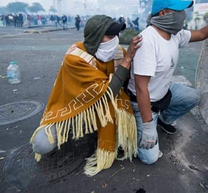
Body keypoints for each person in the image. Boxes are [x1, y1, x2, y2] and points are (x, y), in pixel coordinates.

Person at [127, 0, 208, 164]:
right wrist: (148, 127)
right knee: (149, 158)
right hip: (144, 102)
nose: (182, 15)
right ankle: (144, 123)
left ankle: (163, 119)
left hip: (164, 92)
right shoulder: (147, 41)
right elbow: (141, 88)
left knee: (194, 96)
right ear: (163, 13)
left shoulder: (174, 34)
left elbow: (202, 34)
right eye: (177, 11)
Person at [30, 15, 143, 176]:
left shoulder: (118, 52)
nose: (115, 40)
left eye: (116, 36)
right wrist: (128, 59)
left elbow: (124, 84)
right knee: (41, 145)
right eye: (110, 36)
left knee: (120, 119)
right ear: (95, 37)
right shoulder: (75, 57)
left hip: (103, 104)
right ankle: (82, 125)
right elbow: (108, 91)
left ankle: (101, 128)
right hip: (74, 106)